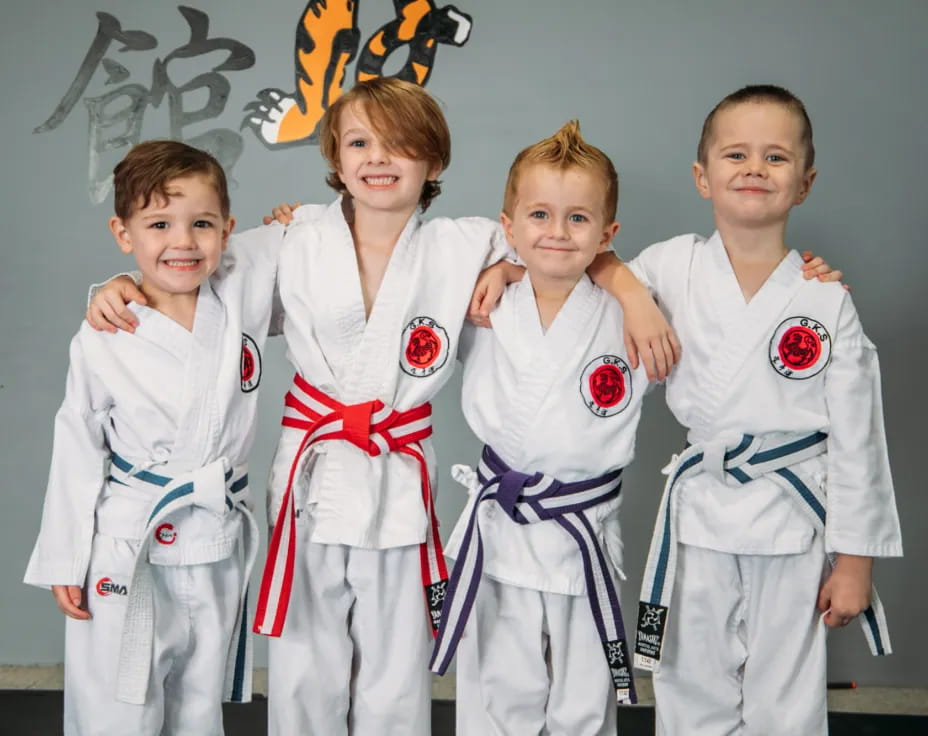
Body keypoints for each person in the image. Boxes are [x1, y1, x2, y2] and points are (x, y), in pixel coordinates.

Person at [86, 78, 680, 736]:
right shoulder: (295, 238)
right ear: (335, 158)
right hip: (312, 477)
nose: (377, 158)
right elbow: (190, 267)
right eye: (360, 142)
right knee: (305, 662)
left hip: (398, 476)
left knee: (396, 667)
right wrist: (116, 285)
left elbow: (567, 243)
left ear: (434, 163)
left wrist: (628, 287)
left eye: (399, 145)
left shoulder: (468, 244)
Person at [626, 85, 903, 735]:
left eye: (776, 157)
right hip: (699, 518)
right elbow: (591, 290)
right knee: (689, 681)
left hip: (792, 520)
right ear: (703, 177)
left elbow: (859, 441)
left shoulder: (825, 300)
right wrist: (629, 294)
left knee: (787, 694)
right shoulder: (669, 267)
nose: (754, 168)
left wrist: (856, 561)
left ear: (804, 183)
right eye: (735, 154)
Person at [24, 140, 282, 735]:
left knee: (199, 705)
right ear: (123, 232)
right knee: (120, 709)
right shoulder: (105, 332)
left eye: (202, 224)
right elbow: (78, 441)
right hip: (130, 542)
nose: (184, 241)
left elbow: (328, 242)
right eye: (159, 224)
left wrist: (297, 219)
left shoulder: (241, 286)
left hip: (215, 538)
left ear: (228, 229)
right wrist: (67, 555)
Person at [428, 121, 647, 735]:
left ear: (608, 235)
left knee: (582, 700)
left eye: (578, 219)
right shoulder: (483, 302)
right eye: (540, 215)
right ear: (509, 227)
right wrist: (505, 269)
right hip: (501, 527)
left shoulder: (635, 312)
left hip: (583, 531)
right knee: (498, 689)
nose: (556, 232)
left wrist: (628, 285)